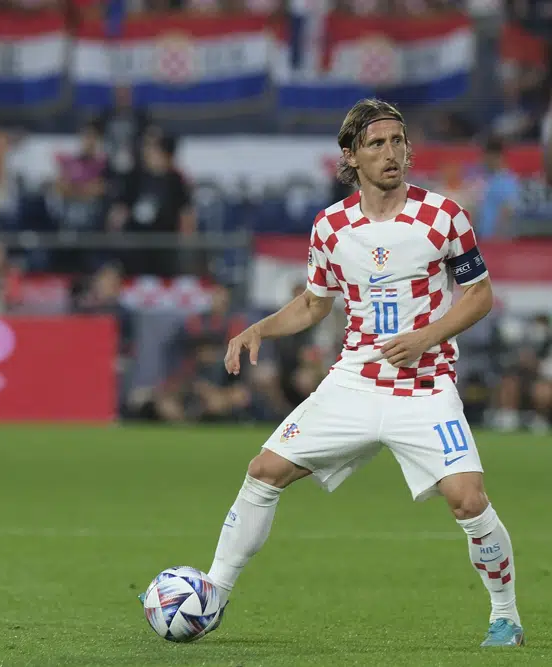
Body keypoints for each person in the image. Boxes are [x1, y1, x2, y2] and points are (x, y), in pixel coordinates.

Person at [147, 99, 524, 648]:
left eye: (398, 141)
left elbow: (481, 295)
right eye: (377, 144)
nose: (392, 153)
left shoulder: (443, 216)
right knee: (264, 470)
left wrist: (427, 336)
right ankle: (214, 595)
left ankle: (505, 615)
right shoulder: (332, 226)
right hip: (353, 380)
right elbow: (313, 304)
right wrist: (260, 329)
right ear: (350, 156)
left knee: (468, 498)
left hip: (423, 384)